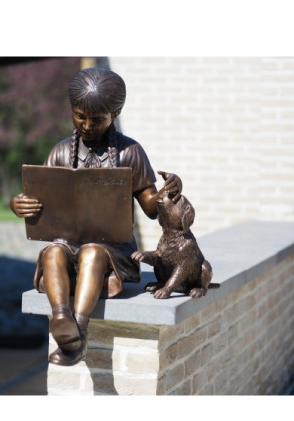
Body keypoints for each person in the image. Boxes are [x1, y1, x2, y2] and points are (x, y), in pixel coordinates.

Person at [10, 67, 182, 366]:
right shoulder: (61, 152)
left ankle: (79, 329)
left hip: (112, 248)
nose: (87, 125)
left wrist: (167, 194)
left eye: (97, 119)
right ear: (71, 110)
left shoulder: (130, 152)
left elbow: (151, 209)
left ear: (115, 114)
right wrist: (19, 204)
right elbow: (40, 198)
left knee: (91, 252)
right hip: (67, 240)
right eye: (80, 116)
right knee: (52, 252)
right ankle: (61, 318)